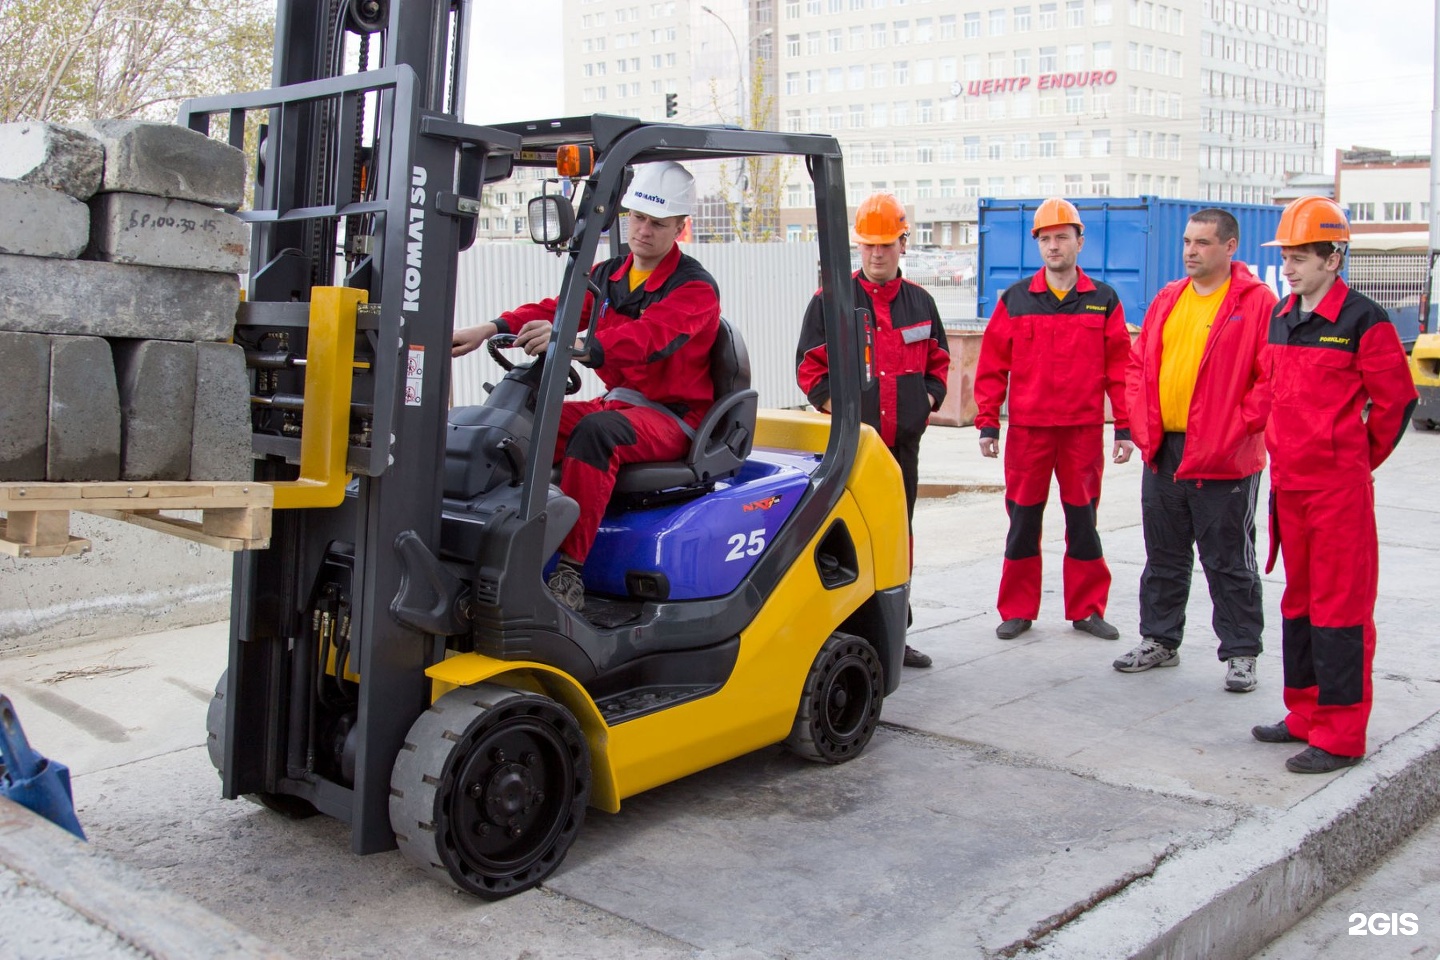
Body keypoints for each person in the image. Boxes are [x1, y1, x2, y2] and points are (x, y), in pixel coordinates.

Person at [451, 161, 719, 612]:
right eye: (638, 218)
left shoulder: (694, 289)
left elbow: (649, 339)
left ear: (679, 227)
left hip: (673, 417)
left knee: (595, 434)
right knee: (519, 424)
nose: (644, 230)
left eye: (657, 223)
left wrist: (577, 342)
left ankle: (569, 572)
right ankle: (488, 544)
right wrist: (491, 326)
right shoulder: (610, 274)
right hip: (618, 404)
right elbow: (559, 307)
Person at [1250, 197, 1418, 773]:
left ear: (1334, 257)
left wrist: (1351, 461)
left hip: (1338, 493)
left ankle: (1342, 735)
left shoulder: (1363, 321)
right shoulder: (1282, 315)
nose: (1290, 267)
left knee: (1340, 610)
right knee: (1299, 604)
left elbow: (1398, 404)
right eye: (1287, 256)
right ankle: (1304, 713)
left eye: (1301, 257)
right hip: (1289, 488)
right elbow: (1269, 394)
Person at [1119, 209, 1275, 692]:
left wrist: (1237, 428)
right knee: (1163, 555)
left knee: (1228, 559)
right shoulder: (1169, 298)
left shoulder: (1256, 303)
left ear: (1230, 248)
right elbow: (1137, 365)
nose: (1191, 250)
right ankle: (1160, 640)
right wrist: (1143, 423)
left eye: (1203, 242)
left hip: (1225, 456)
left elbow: (1270, 378)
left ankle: (1241, 652)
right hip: (1165, 450)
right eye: (1187, 241)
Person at [796, 192, 949, 669]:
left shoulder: (921, 302)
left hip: (901, 450)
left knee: (897, 538)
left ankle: (895, 636)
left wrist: (924, 402)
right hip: (849, 453)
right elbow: (809, 367)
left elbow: (939, 366)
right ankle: (842, 639)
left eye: (885, 245)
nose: (876, 254)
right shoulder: (831, 300)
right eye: (868, 246)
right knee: (843, 543)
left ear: (903, 244)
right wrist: (834, 413)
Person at [973, 198, 1134, 642]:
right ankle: (1018, 609)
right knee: (1023, 519)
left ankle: (1086, 609)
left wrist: (1125, 427)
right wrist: (988, 422)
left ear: (1080, 241)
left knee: (1083, 520)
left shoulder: (1103, 300)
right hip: (1029, 433)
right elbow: (991, 367)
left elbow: (1121, 369)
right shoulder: (1017, 299)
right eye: (1045, 238)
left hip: (1082, 433)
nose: (1053, 246)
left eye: (1062, 237)